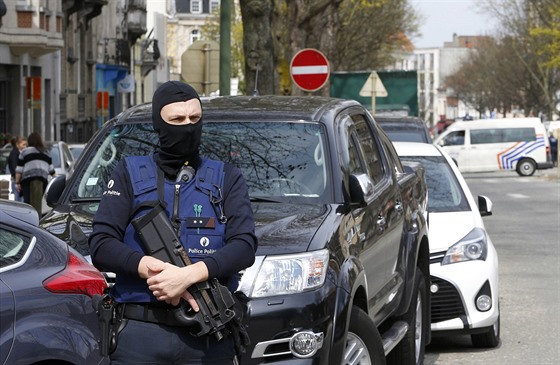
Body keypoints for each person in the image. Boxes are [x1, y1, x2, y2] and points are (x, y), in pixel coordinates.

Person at [89, 81, 257, 365]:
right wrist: (151, 269)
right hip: (141, 332)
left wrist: (189, 276)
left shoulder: (227, 177)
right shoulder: (128, 172)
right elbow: (102, 244)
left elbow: (244, 246)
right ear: (159, 124)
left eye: (194, 118)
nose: (188, 126)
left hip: (208, 338)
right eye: (177, 120)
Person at [14, 132, 54, 214]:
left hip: (27, 181)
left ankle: (28, 220)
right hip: (42, 181)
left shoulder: (24, 152)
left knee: (27, 204)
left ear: (29, 141)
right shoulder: (46, 152)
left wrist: (17, 182)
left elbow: (19, 170)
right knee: (38, 203)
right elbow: (52, 171)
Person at [7, 135, 27, 201]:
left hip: (19, 180)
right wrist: (17, 181)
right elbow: (14, 168)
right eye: (23, 144)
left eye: (26, 145)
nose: (25, 146)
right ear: (17, 144)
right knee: (19, 200)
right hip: (17, 181)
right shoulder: (14, 154)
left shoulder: (19, 153)